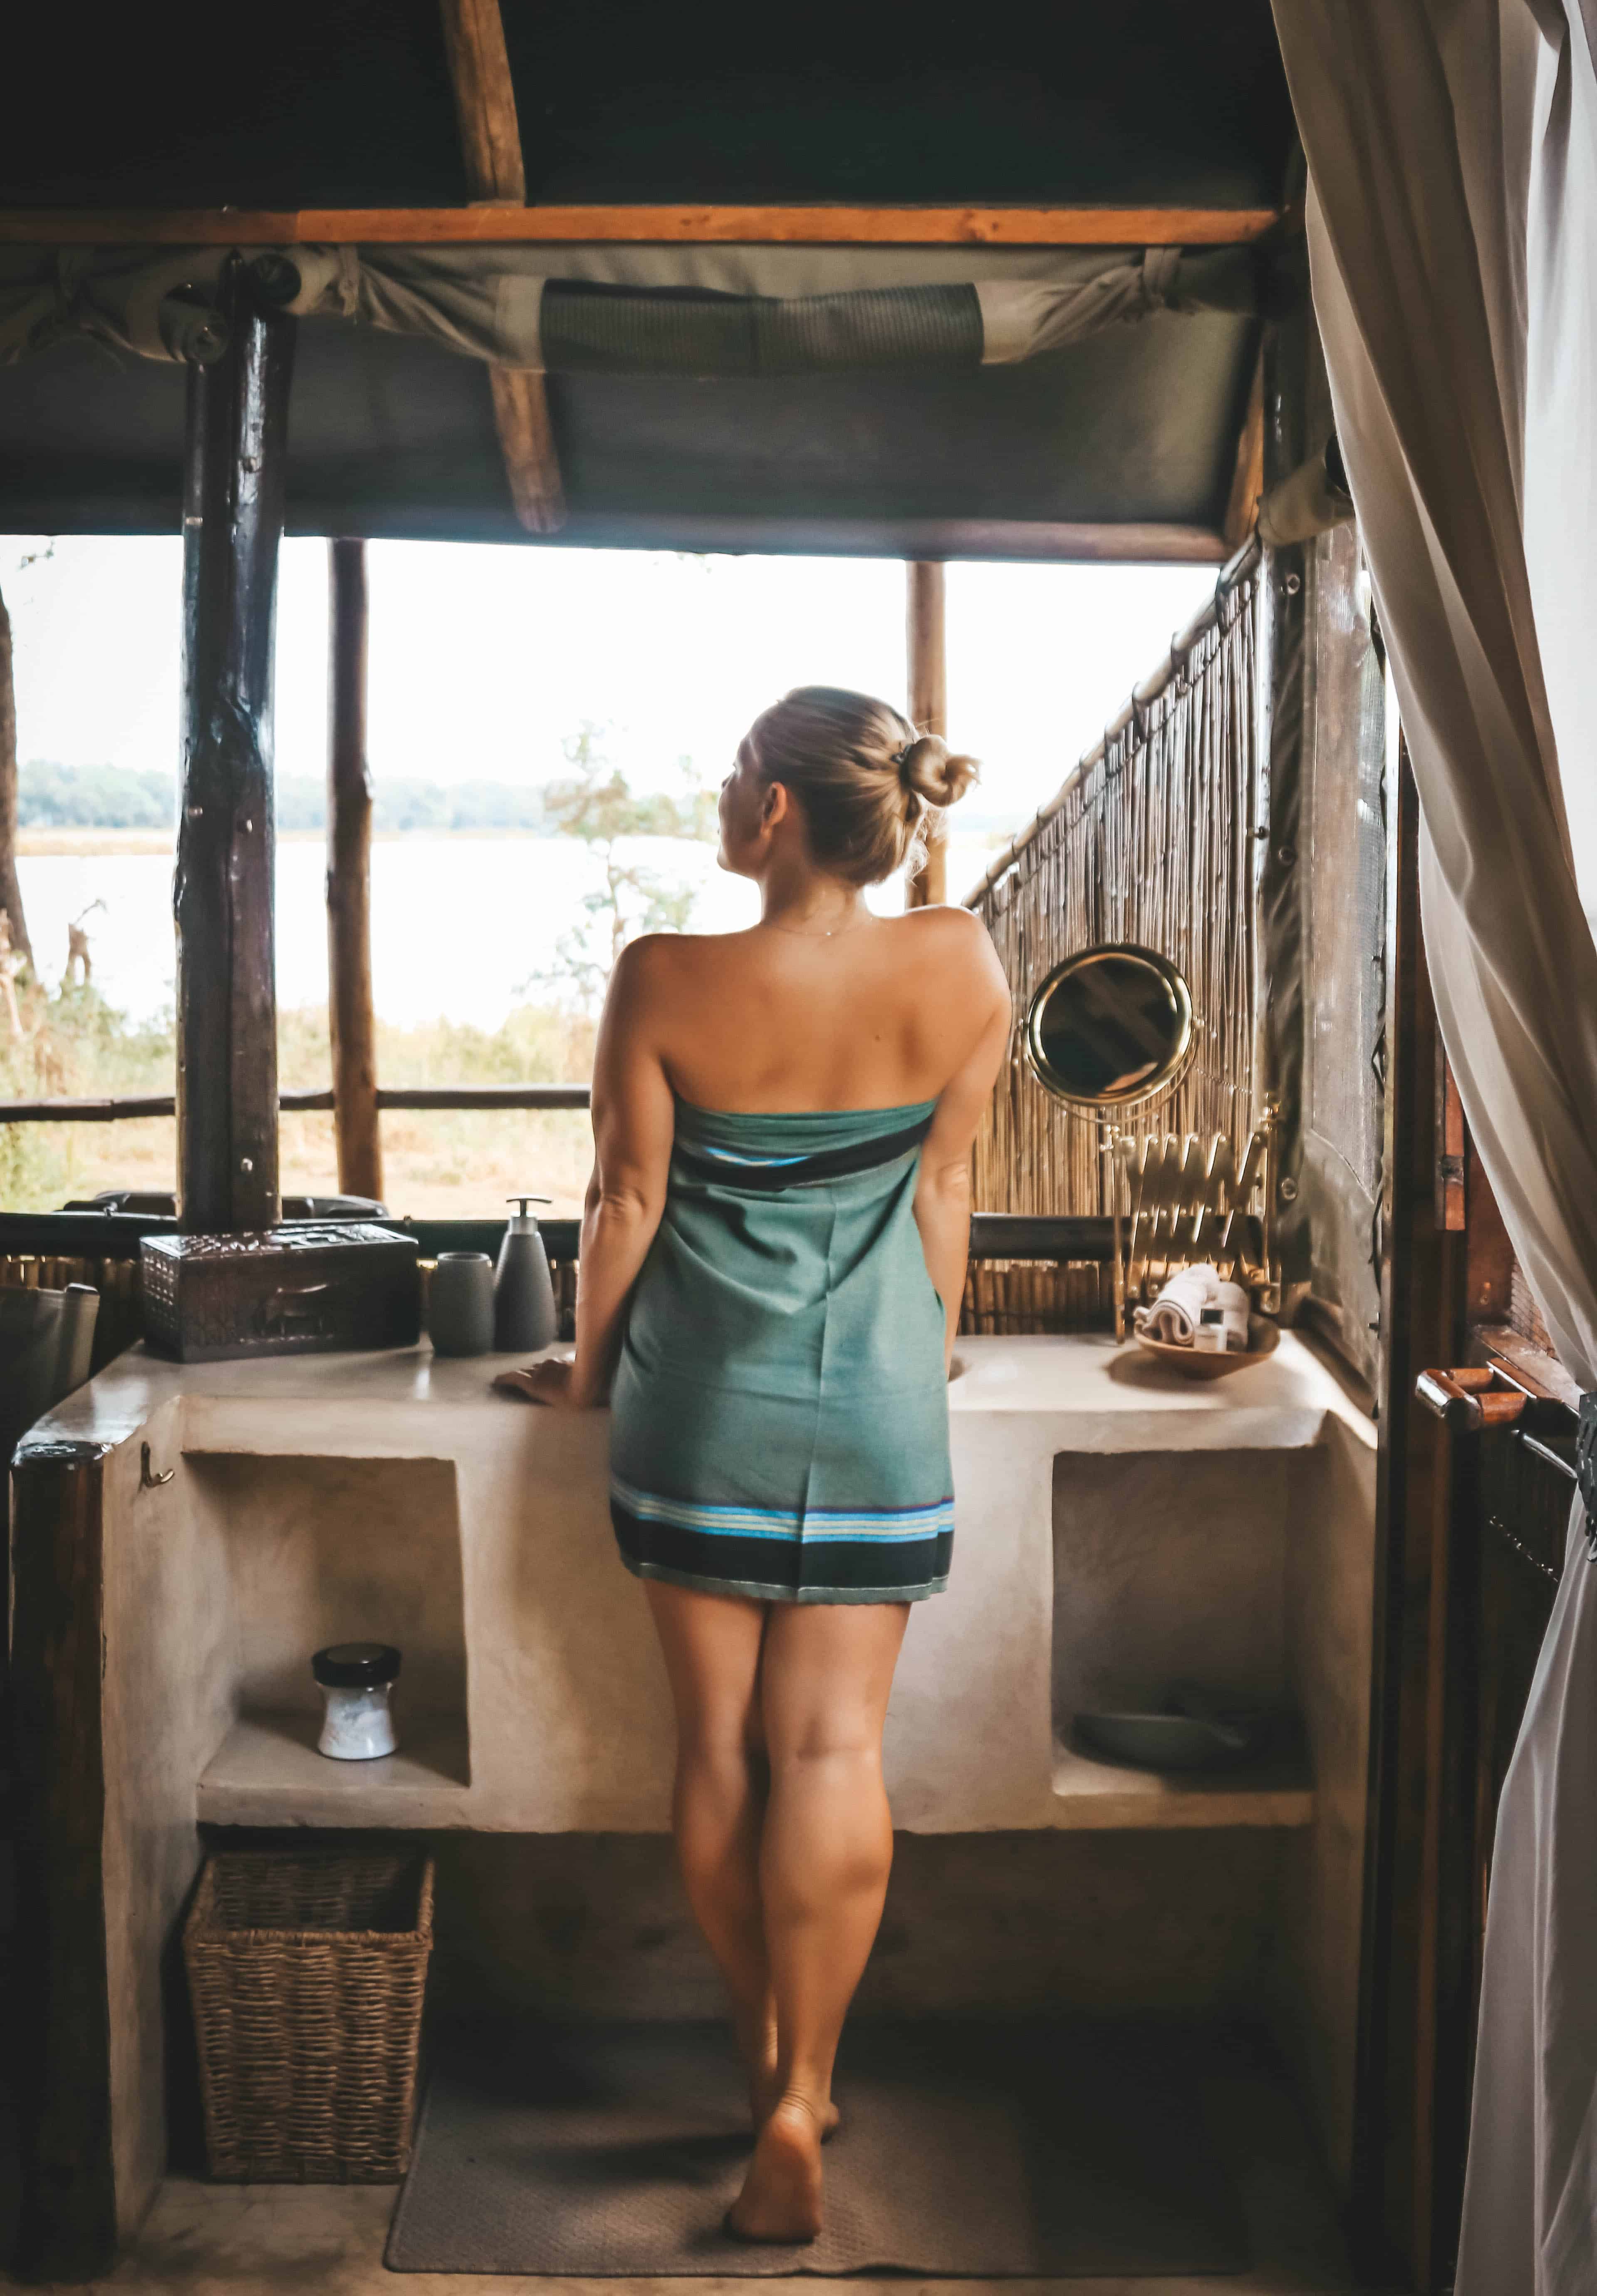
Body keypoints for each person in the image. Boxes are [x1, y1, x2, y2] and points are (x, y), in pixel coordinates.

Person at [497, 684, 1010, 2242]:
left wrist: (580, 1377)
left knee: (717, 1750)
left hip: (698, 1416)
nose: (724, 798)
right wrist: (924, 1361)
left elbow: (622, 1210)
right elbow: (944, 1198)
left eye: (732, 777)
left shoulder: (663, 978)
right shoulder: (964, 960)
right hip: (874, 1413)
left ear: (774, 810)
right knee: (838, 1757)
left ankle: (761, 2043)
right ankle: (808, 2097)